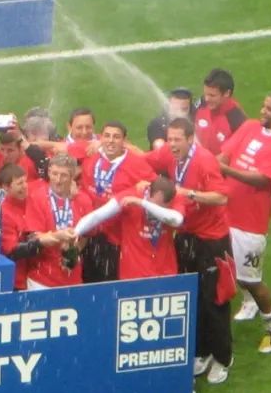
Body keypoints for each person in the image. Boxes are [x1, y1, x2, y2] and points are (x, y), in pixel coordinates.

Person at [146, 118, 236, 384]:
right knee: (192, 295)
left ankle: (223, 358)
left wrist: (190, 194)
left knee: (215, 299)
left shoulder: (205, 161)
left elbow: (221, 196)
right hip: (186, 235)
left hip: (212, 239)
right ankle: (202, 351)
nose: (172, 145)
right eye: (169, 139)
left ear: (190, 139)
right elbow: (143, 160)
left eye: (177, 140)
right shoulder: (169, 153)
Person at [218, 93, 271, 353]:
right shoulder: (250, 126)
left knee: (251, 280)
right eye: (263, 106)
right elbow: (225, 154)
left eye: (269, 109)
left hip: (250, 223)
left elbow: (263, 179)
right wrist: (220, 166)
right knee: (224, 268)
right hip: (223, 213)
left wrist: (227, 171)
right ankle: (247, 303)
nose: (262, 111)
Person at [78, 121, 156, 283]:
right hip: (91, 233)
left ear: (124, 141)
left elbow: (156, 189)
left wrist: (145, 188)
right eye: (107, 136)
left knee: (110, 282)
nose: (111, 141)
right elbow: (65, 148)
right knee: (87, 280)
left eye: (116, 137)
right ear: (101, 138)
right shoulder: (91, 158)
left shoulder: (137, 164)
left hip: (119, 237)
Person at [71, 176, 185, 280]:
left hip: (166, 273)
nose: (156, 209)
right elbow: (98, 215)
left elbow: (177, 220)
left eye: (162, 206)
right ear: (150, 192)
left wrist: (142, 203)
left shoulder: (175, 197)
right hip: (134, 275)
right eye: (155, 204)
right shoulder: (129, 195)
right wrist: (76, 232)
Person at [23, 155, 92, 288]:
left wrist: (73, 251)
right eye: (54, 174)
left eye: (64, 175)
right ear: (48, 172)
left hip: (72, 279)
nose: (58, 180)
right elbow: (34, 238)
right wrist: (59, 236)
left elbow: (86, 235)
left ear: (72, 176)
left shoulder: (83, 200)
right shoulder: (37, 197)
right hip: (41, 279)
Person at [194, 68, 246, 156]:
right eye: (205, 94)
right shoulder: (201, 103)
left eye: (212, 95)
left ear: (226, 93)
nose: (206, 99)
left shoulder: (236, 119)